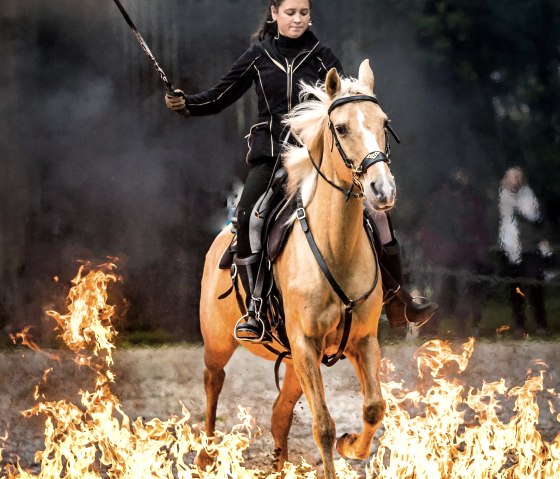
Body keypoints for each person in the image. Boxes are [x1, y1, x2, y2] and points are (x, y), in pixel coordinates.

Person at [165, 0, 437, 341]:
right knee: (250, 217)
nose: (297, 19)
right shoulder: (258, 55)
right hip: (270, 160)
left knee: (378, 216)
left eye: (303, 13)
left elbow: (349, 102)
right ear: (274, 13)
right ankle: (255, 309)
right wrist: (187, 103)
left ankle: (399, 300)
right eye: (290, 13)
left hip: (317, 160)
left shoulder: (324, 57)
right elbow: (220, 96)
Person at [498, 166, 553, 336]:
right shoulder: (503, 198)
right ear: (507, 179)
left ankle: (541, 325)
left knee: (535, 289)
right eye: (512, 176)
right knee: (515, 291)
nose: (515, 179)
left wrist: (542, 240)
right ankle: (519, 326)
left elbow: (538, 221)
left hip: (529, 249)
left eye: (518, 176)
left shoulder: (529, 197)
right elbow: (500, 222)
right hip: (510, 249)